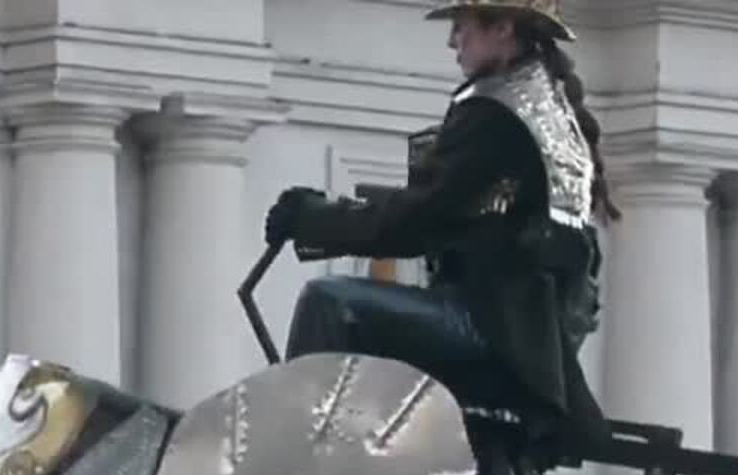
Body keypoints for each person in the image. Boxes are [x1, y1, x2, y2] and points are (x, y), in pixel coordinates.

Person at [263, 0, 618, 447]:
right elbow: (448, 218)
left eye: (463, 28)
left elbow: (418, 221)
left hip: (493, 334)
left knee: (331, 302)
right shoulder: (543, 103)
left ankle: (301, 462)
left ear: (503, 29)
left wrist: (312, 218)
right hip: (533, 348)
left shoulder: (496, 110)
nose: (453, 42)